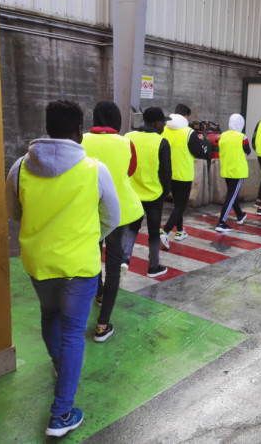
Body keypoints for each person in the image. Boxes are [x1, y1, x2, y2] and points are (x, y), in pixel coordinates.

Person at [5, 100, 120, 437]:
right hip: (79, 268)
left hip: (39, 265)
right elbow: (112, 216)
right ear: (79, 131)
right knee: (73, 333)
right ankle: (61, 414)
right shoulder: (94, 169)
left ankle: (60, 368)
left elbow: (14, 212)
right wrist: (89, 236)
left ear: (47, 127)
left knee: (50, 317)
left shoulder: (21, 167)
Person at [82, 101, 144, 342]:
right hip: (119, 212)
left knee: (94, 255)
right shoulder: (127, 142)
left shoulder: (82, 140)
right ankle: (102, 325)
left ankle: (98, 294)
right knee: (114, 263)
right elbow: (130, 171)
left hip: (90, 210)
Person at [122, 107, 172, 277]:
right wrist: (165, 191)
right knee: (153, 231)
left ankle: (124, 259)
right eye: (163, 122)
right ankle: (153, 266)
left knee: (132, 227)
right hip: (154, 194)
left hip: (131, 193)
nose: (164, 125)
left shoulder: (128, 137)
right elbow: (166, 172)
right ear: (157, 123)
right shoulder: (161, 142)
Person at [161, 103, 208, 244]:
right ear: (186, 116)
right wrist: (203, 142)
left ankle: (180, 231)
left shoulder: (164, 129)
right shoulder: (189, 133)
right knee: (181, 205)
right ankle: (165, 231)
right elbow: (200, 152)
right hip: (183, 174)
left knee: (177, 203)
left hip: (167, 173)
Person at [215, 113, 250, 232]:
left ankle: (240, 215)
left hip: (226, 169)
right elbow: (248, 151)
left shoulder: (223, 135)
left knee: (232, 194)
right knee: (231, 196)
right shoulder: (242, 137)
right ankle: (221, 222)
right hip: (238, 171)